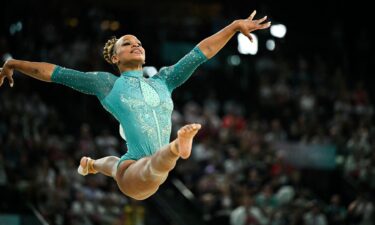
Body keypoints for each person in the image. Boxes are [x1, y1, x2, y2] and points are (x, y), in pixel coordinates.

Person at [0, 10, 270, 200]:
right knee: (148, 165)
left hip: (137, 168)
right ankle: (177, 147)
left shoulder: (164, 80)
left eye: (138, 43)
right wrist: (14, 63)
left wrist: (234, 26)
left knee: (116, 166)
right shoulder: (107, 84)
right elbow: (54, 73)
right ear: (115, 57)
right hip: (136, 174)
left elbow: (201, 53)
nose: (136, 45)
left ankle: (93, 164)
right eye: (127, 44)